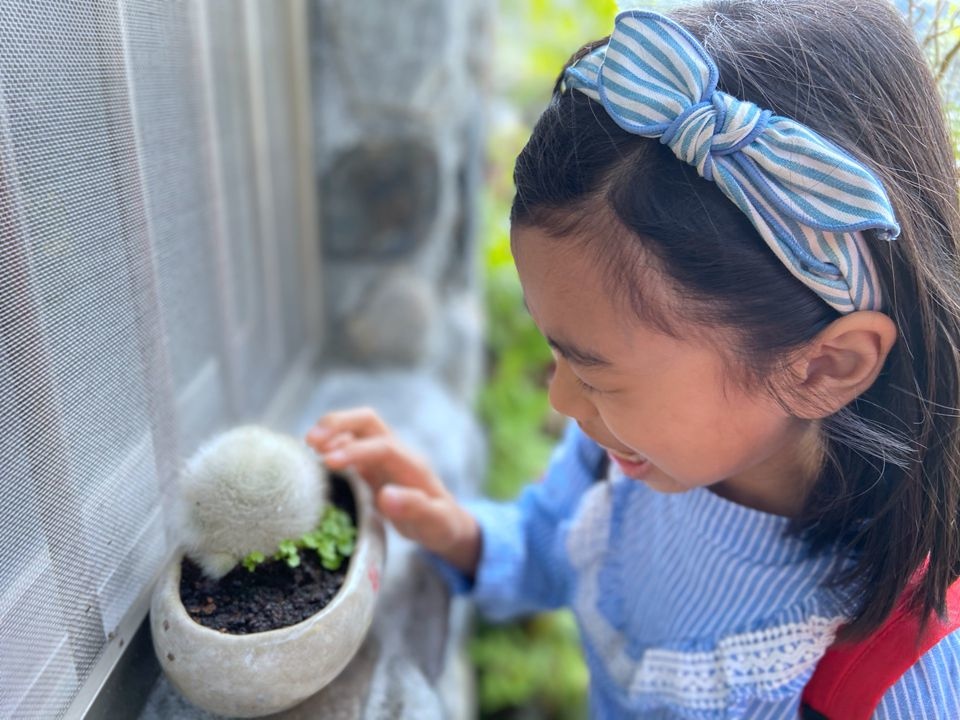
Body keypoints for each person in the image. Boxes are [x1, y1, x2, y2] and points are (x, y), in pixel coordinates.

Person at [307, 1, 960, 716]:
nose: (562, 401)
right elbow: (552, 548)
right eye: (556, 353)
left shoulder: (895, 676)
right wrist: (456, 532)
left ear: (822, 368)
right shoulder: (623, 459)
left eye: (591, 372)